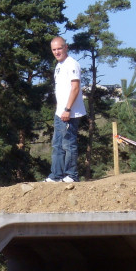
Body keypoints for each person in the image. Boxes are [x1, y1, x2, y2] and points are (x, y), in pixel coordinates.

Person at [46, 36, 86, 183]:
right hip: (59, 112)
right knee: (57, 144)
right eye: (54, 50)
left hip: (69, 112)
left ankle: (71, 175)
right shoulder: (59, 65)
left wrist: (67, 109)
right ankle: (56, 175)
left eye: (59, 48)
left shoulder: (72, 64)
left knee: (68, 144)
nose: (57, 52)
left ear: (66, 47)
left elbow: (75, 88)